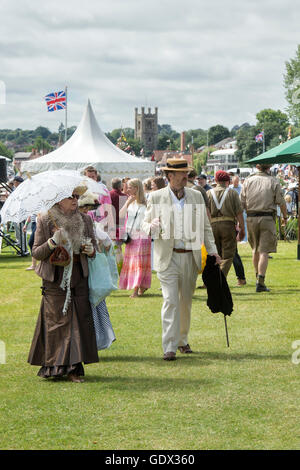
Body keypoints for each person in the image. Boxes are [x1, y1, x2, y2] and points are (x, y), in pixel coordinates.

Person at [142, 158, 221, 361]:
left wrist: (213, 251)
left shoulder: (196, 196)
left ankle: (182, 340)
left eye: (187, 173)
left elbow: (205, 227)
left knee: (185, 302)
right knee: (170, 300)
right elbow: (144, 225)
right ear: (170, 176)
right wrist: (151, 226)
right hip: (167, 257)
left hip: (190, 257)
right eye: (182, 173)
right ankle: (169, 346)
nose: (186, 176)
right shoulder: (156, 197)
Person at [27, 187, 99, 383]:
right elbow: (37, 253)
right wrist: (52, 242)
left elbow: (94, 247)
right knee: (58, 323)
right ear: (59, 200)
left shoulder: (85, 220)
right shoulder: (45, 219)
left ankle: (74, 368)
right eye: (71, 197)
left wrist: (91, 250)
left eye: (77, 196)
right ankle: (54, 366)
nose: (76, 200)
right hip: (55, 277)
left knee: (79, 321)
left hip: (78, 275)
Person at [241, 164, 288, 292]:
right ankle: (260, 282)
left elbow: (242, 202)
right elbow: (281, 201)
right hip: (267, 218)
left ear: (257, 167)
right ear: (269, 168)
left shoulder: (248, 181)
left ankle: (258, 277)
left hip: (251, 217)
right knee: (264, 251)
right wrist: (285, 216)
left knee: (255, 249)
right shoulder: (273, 181)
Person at [78, 192, 116, 351]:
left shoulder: (88, 222)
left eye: (88, 208)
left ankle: (97, 339)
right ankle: (90, 341)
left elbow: (104, 239)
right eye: (84, 207)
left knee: (94, 304)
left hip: (89, 269)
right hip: (79, 269)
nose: (86, 210)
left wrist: (95, 249)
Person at [206, 171, 245, 278]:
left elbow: (205, 212)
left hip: (213, 225)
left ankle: (213, 278)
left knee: (214, 254)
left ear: (216, 180)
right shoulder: (232, 193)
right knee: (228, 255)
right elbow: (239, 213)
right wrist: (242, 229)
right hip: (228, 225)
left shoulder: (208, 193)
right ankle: (220, 278)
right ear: (228, 181)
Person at [119, 178, 151, 298]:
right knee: (132, 263)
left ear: (137, 188)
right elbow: (121, 216)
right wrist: (127, 203)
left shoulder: (147, 203)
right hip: (130, 237)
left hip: (142, 236)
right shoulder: (129, 202)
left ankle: (136, 290)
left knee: (139, 263)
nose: (127, 189)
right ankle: (142, 286)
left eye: (130, 187)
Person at [109, 177, 128, 241]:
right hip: (121, 223)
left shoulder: (109, 194)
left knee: (112, 244)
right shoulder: (124, 196)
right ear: (120, 186)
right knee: (119, 244)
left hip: (111, 222)